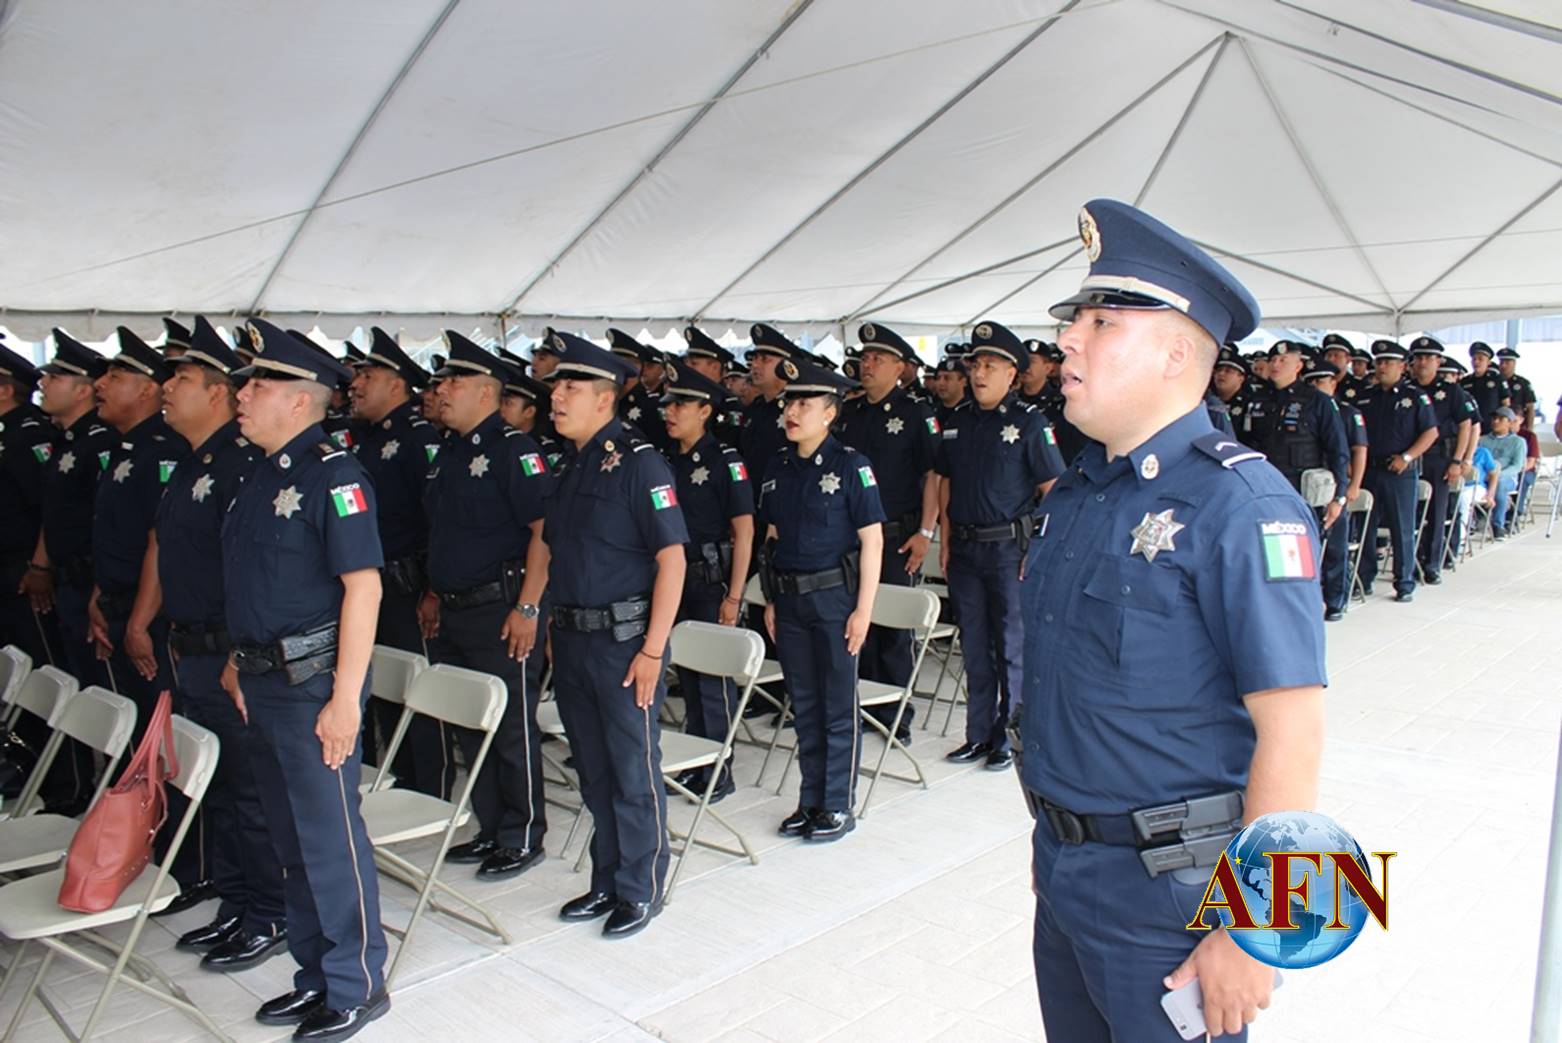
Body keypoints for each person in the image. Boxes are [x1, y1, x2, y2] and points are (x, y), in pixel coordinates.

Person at [1021, 197, 1326, 1041]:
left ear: (1175, 352)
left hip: (1178, 899)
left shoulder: (1243, 505)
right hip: (1068, 869)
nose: (1068, 341)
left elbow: (1295, 734)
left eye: (1100, 321)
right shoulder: (1080, 494)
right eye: (1073, 319)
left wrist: (1257, 929)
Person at [221, 320, 389, 1039]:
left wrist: (346, 697)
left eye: (260, 383)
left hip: (312, 685)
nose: (245, 393)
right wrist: (237, 658)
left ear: (300, 400)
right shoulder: (259, 472)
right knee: (291, 840)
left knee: (328, 837)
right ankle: (314, 972)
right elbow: (260, 579)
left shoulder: (336, 475)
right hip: (262, 680)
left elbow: (364, 587)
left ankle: (356, 983)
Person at [541, 330, 688, 939]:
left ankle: (641, 884)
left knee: (632, 767)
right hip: (574, 640)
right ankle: (607, 878)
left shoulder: (639, 461)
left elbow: (672, 559)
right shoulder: (572, 464)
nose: (557, 396)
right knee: (595, 769)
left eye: (571, 386)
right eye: (556, 385)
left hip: (625, 644)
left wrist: (654, 648)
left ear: (605, 399)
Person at [151, 317, 286, 970]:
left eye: (180, 377)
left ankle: (269, 911)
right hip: (193, 650)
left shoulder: (241, 467)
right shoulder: (193, 463)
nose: (167, 386)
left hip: (231, 655)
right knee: (221, 788)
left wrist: (237, 655)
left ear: (215, 392)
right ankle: (237, 902)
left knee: (251, 790)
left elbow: (254, 573)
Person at [420, 331, 555, 880]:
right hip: (454, 608)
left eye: (454, 381)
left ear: (486, 392)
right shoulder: (449, 452)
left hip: (501, 608)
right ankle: (490, 826)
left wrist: (527, 609)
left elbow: (544, 532)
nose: (442, 390)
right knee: (467, 724)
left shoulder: (514, 450)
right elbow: (445, 533)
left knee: (511, 726)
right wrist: (432, 592)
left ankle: (523, 833)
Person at [756, 356, 884, 841]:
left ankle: (837, 804)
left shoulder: (853, 466)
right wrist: (769, 598)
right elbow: (771, 538)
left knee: (835, 705)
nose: (792, 410)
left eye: (804, 403)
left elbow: (872, 541)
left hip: (834, 599)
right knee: (804, 704)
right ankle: (810, 800)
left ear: (829, 412)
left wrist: (864, 610)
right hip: (788, 602)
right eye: (790, 401)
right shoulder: (777, 467)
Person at [936, 321, 1064, 770]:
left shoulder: (1030, 423)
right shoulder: (957, 423)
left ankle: (1009, 736)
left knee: (1010, 645)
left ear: (1013, 374)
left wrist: (1039, 550)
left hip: (1010, 551)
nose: (980, 373)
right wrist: (946, 542)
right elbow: (947, 484)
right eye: (976, 364)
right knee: (974, 646)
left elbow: (1055, 490)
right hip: (967, 551)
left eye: (991, 365)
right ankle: (978, 734)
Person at [347, 328, 450, 797]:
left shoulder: (419, 438)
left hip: (410, 588)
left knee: (420, 694)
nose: (356, 383)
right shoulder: (365, 440)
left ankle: (432, 790)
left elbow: (436, 518)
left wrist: (431, 591)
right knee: (385, 691)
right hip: (373, 590)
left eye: (368, 375)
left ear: (396, 384)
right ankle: (401, 781)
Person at [838, 323, 940, 741]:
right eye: (865, 358)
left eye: (878, 359)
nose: (868, 364)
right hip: (852, 539)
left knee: (893, 629)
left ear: (900, 367)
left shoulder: (918, 413)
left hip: (898, 534)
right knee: (857, 623)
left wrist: (926, 531)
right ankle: (860, 705)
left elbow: (934, 473)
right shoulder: (851, 412)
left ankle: (897, 710)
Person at [661, 361, 754, 800]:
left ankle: (720, 767)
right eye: (668, 403)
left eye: (680, 404)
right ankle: (698, 761)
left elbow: (745, 530)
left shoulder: (725, 460)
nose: (670, 412)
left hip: (712, 580)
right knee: (690, 676)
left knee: (712, 680)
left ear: (705, 409)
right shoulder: (666, 461)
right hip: (676, 581)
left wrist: (734, 595)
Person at [88, 327, 183, 734]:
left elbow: (158, 542)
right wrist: (99, 596)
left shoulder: (165, 451)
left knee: (163, 734)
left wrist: (139, 623)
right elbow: (111, 533)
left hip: (149, 616)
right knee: (132, 728)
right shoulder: (127, 447)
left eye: (115, 378)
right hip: (118, 606)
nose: (99, 384)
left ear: (147, 391)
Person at [1246, 341, 1349, 612]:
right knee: (1265, 553)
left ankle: (1316, 604)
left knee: (1301, 555)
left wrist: (1339, 496)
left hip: (1303, 492)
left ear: (1298, 366)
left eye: (1283, 360)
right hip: (1265, 489)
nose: (1276, 365)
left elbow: (1338, 450)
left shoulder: (1318, 401)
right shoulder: (1257, 401)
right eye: (1273, 360)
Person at [1354, 341, 1438, 602]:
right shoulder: (1366, 396)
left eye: (1388, 362)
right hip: (1370, 469)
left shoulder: (1414, 397)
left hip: (1400, 471)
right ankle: (1364, 578)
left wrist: (1407, 456)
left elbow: (1431, 432)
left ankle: (1404, 581)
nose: (1381, 367)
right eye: (1379, 362)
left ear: (1402, 366)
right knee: (1365, 528)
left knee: (1402, 528)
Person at [0, 340, 62, 671]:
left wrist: (40, 567)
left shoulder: (27, 435)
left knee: (37, 665)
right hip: (9, 568)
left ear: (4, 391)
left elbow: (47, 508)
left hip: (23, 569)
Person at [1406, 336, 1475, 585]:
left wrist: (1458, 460)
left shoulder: (1451, 391)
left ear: (1438, 361)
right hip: (1410, 456)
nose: (1423, 362)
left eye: (1428, 358)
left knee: (1436, 512)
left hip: (1440, 457)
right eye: (1419, 358)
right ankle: (1409, 562)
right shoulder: (1405, 388)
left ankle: (1432, 564)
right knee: (1409, 513)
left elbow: (1465, 426)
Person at [1305, 360, 1369, 619]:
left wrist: (1351, 486)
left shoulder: (1346, 411)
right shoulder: (1307, 409)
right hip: (1311, 486)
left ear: (1333, 383)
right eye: (1311, 383)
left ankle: (1335, 600)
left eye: (1320, 382)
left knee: (1335, 547)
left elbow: (1357, 449)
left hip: (1335, 486)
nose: (1315, 388)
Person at [680, 325, 746, 449]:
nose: (688, 368)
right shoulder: (686, 399)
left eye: (694, 363)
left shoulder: (730, 407)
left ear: (715, 367)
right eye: (687, 363)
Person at [1480, 408, 1526, 538]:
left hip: (1507, 477)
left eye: (1500, 419)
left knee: (1499, 484)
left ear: (1510, 423)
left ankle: (1497, 524)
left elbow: (1517, 466)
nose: (1495, 421)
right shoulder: (1482, 440)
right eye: (1494, 418)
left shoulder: (1518, 442)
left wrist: (1498, 475)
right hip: (1485, 477)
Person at [1461, 342, 1509, 427]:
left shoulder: (1497, 378)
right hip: (1470, 426)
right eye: (1474, 359)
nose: (1476, 362)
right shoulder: (1465, 381)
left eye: (1480, 359)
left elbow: (1505, 403)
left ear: (1488, 362)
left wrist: (1502, 424)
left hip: (1491, 427)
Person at [1496, 347, 1536, 434]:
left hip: (1517, 426)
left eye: (1507, 362)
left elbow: (1530, 408)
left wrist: (1529, 430)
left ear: (1514, 363)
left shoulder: (1523, 383)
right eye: (1501, 362)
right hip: (1497, 425)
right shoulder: (1494, 382)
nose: (1503, 365)